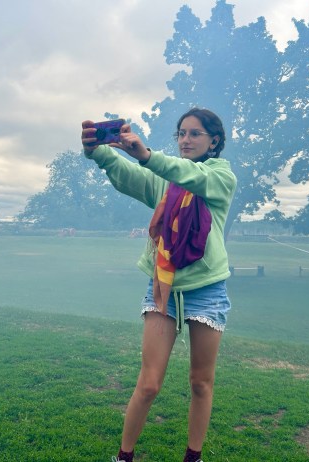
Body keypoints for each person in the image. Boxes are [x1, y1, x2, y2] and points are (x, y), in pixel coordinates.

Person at [81, 108, 236, 462]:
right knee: (149, 383)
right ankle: (123, 457)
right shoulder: (166, 180)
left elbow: (187, 174)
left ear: (214, 141)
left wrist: (148, 155)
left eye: (194, 134)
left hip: (206, 291)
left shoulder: (219, 177)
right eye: (181, 133)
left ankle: (193, 457)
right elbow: (131, 177)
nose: (185, 140)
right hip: (163, 288)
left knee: (200, 382)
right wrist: (99, 152)